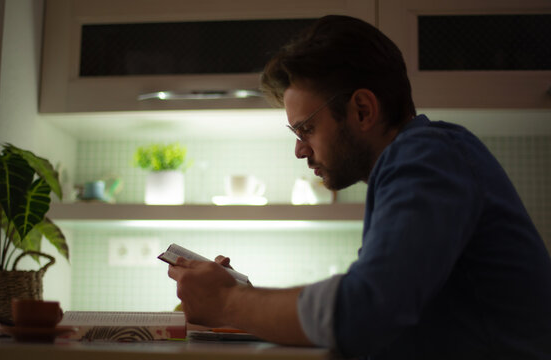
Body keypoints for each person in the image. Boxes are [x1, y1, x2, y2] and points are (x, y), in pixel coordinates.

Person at [168, 15, 551, 359]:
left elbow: (364, 310)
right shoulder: (418, 162)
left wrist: (229, 301)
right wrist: (243, 299)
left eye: (306, 129)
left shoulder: (427, 155)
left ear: (363, 110)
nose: (300, 150)